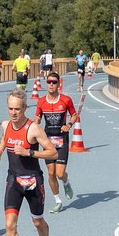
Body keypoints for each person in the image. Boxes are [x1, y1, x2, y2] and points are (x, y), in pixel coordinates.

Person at [0, 90, 58, 236]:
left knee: (37, 222)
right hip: (14, 180)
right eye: (10, 109)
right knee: (10, 225)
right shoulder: (5, 125)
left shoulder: (33, 129)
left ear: (25, 108)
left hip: (33, 181)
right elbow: (5, 138)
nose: (13, 113)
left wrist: (30, 152)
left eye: (17, 109)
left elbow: (53, 152)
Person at [33, 72, 80, 213]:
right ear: (46, 83)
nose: (51, 84)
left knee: (59, 174)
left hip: (61, 140)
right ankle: (58, 201)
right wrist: (36, 122)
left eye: (54, 82)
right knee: (51, 173)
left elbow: (74, 114)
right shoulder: (41, 101)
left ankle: (66, 181)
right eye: (49, 82)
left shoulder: (66, 100)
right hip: (48, 141)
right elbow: (37, 117)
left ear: (58, 84)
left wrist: (69, 125)